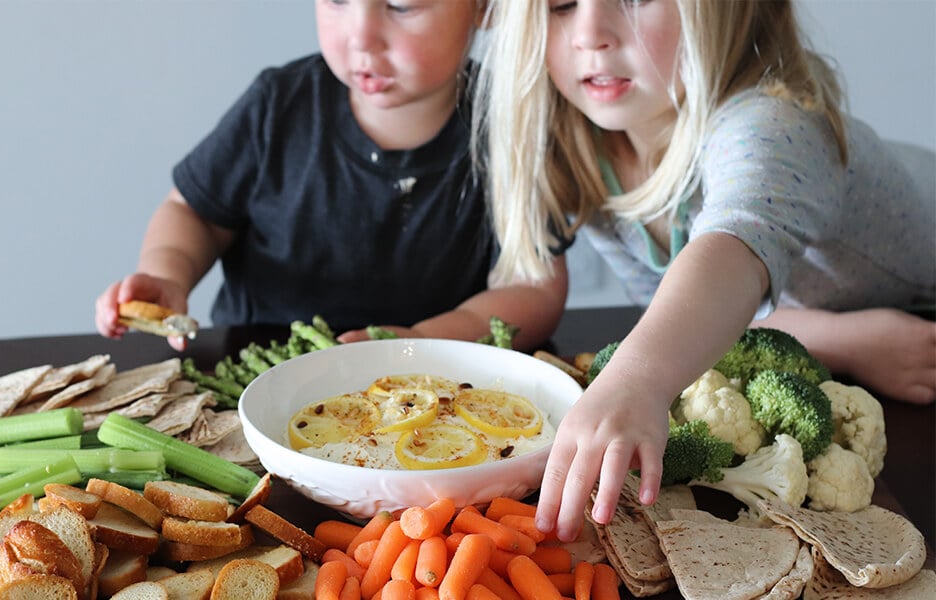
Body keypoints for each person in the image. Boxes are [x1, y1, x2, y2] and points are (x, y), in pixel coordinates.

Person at [473, 0, 935, 540]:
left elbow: (731, 252)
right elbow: (686, 311)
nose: (591, 34)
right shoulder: (588, 142)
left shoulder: (775, 124)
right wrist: (837, 338)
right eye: (560, 5)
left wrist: (636, 377)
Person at [95, 0, 568, 353]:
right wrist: (166, 272)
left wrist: (426, 339)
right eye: (339, 0)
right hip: (257, 370)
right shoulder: (277, 105)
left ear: (483, 7)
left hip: (434, 391)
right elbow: (193, 212)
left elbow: (533, 287)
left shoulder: (513, 127)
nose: (361, 37)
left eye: (400, 5)